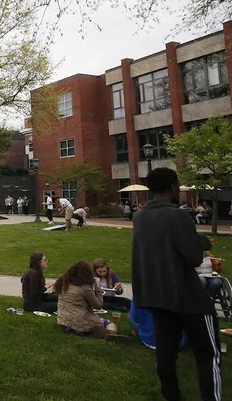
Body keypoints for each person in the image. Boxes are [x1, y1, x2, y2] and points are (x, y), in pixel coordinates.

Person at [132, 167, 220, 401]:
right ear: (173, 187)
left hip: (156, 295)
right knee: (207, 353)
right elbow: (192, 257)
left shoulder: (139, 216)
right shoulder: (178, 215)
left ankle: (171, 395)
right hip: (187, 297)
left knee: (165, 352)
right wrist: (202, 242)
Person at [55, 260, 119, 339]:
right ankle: (111, 334)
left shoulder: (63, 283)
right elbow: (98, 306)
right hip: (79, 323)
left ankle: (101, 333)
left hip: (64, 322)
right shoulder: (84, 288)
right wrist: (98, 287)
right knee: (109, 323)